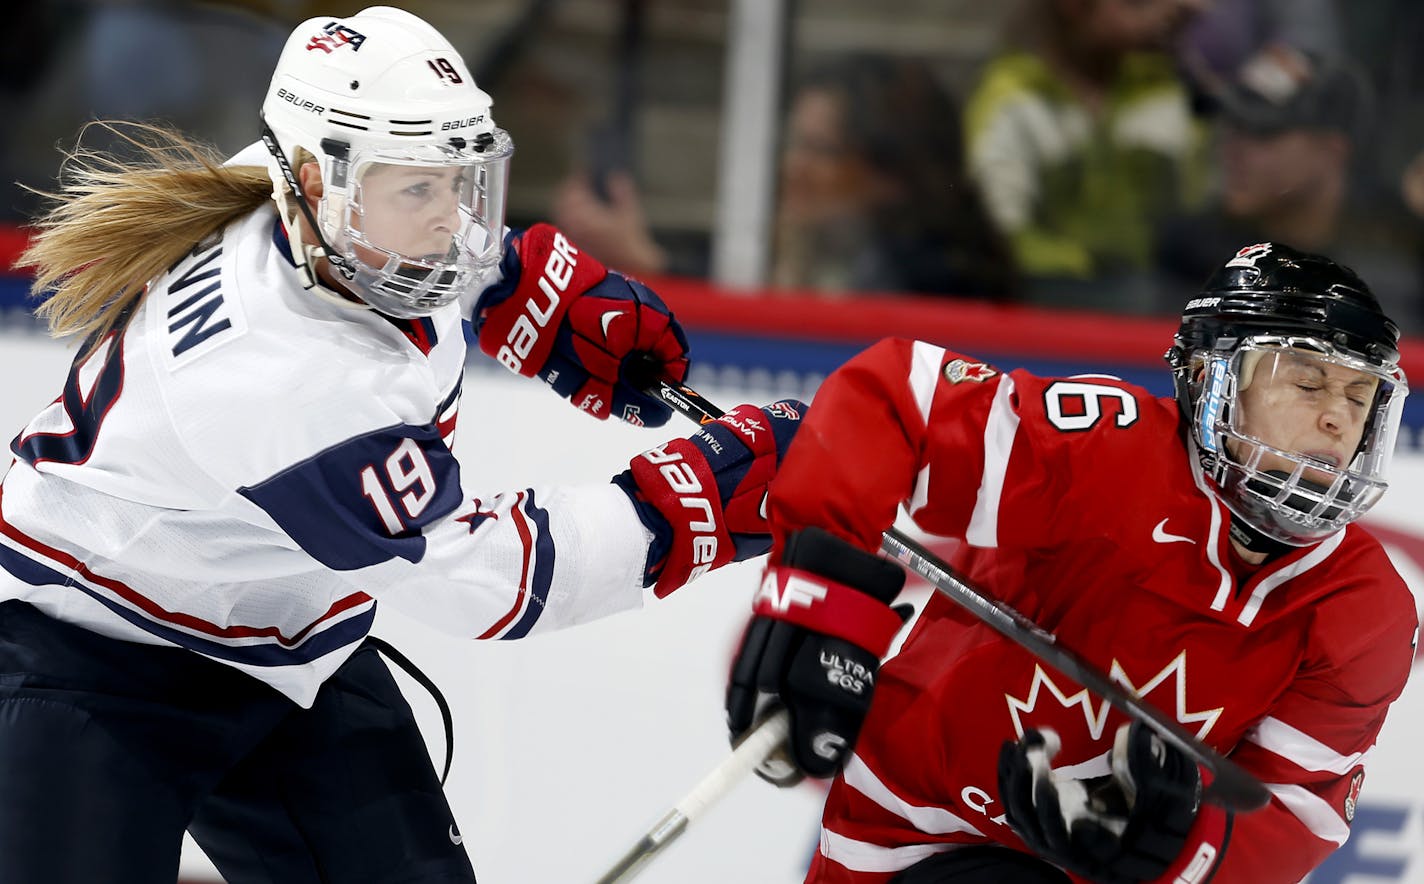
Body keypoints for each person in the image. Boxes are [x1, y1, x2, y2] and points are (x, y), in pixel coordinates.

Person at [0, 7, 804, 883]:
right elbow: (484, 577)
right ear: (315, 180)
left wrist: (515, 287)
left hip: (292, 644)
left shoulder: (307, 205)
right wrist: (691, 504)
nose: (454, 218)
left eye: (464, 182)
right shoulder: (280, 374)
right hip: (85, 658)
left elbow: (415, 229)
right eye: (421, 190)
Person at [724, 242, 1416, 882]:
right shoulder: (1106, 456)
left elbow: (1295, 809)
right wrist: (820, 598)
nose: (1337, 419)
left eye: (1359, 397)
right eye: (1308, 383)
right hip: (918, 830)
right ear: (1214, 380)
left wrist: (1180, 848)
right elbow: (897, 400)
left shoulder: (1365, 610)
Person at [554, 54, 1016, 300]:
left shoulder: (927, 280)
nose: (793, 167)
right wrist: (651, 264)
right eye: (795, 144)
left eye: (820, 150)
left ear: (890, 172)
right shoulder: (823, 249)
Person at [964, 0, 1206, 309]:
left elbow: (1200, 204)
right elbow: (1002, 228)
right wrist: (1085, 266)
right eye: (1137, 4)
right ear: (1074, 6)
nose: (1162, 13)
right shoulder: (1012, 94)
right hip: (1043, 292)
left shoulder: (1162, 87)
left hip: (1156, 288)